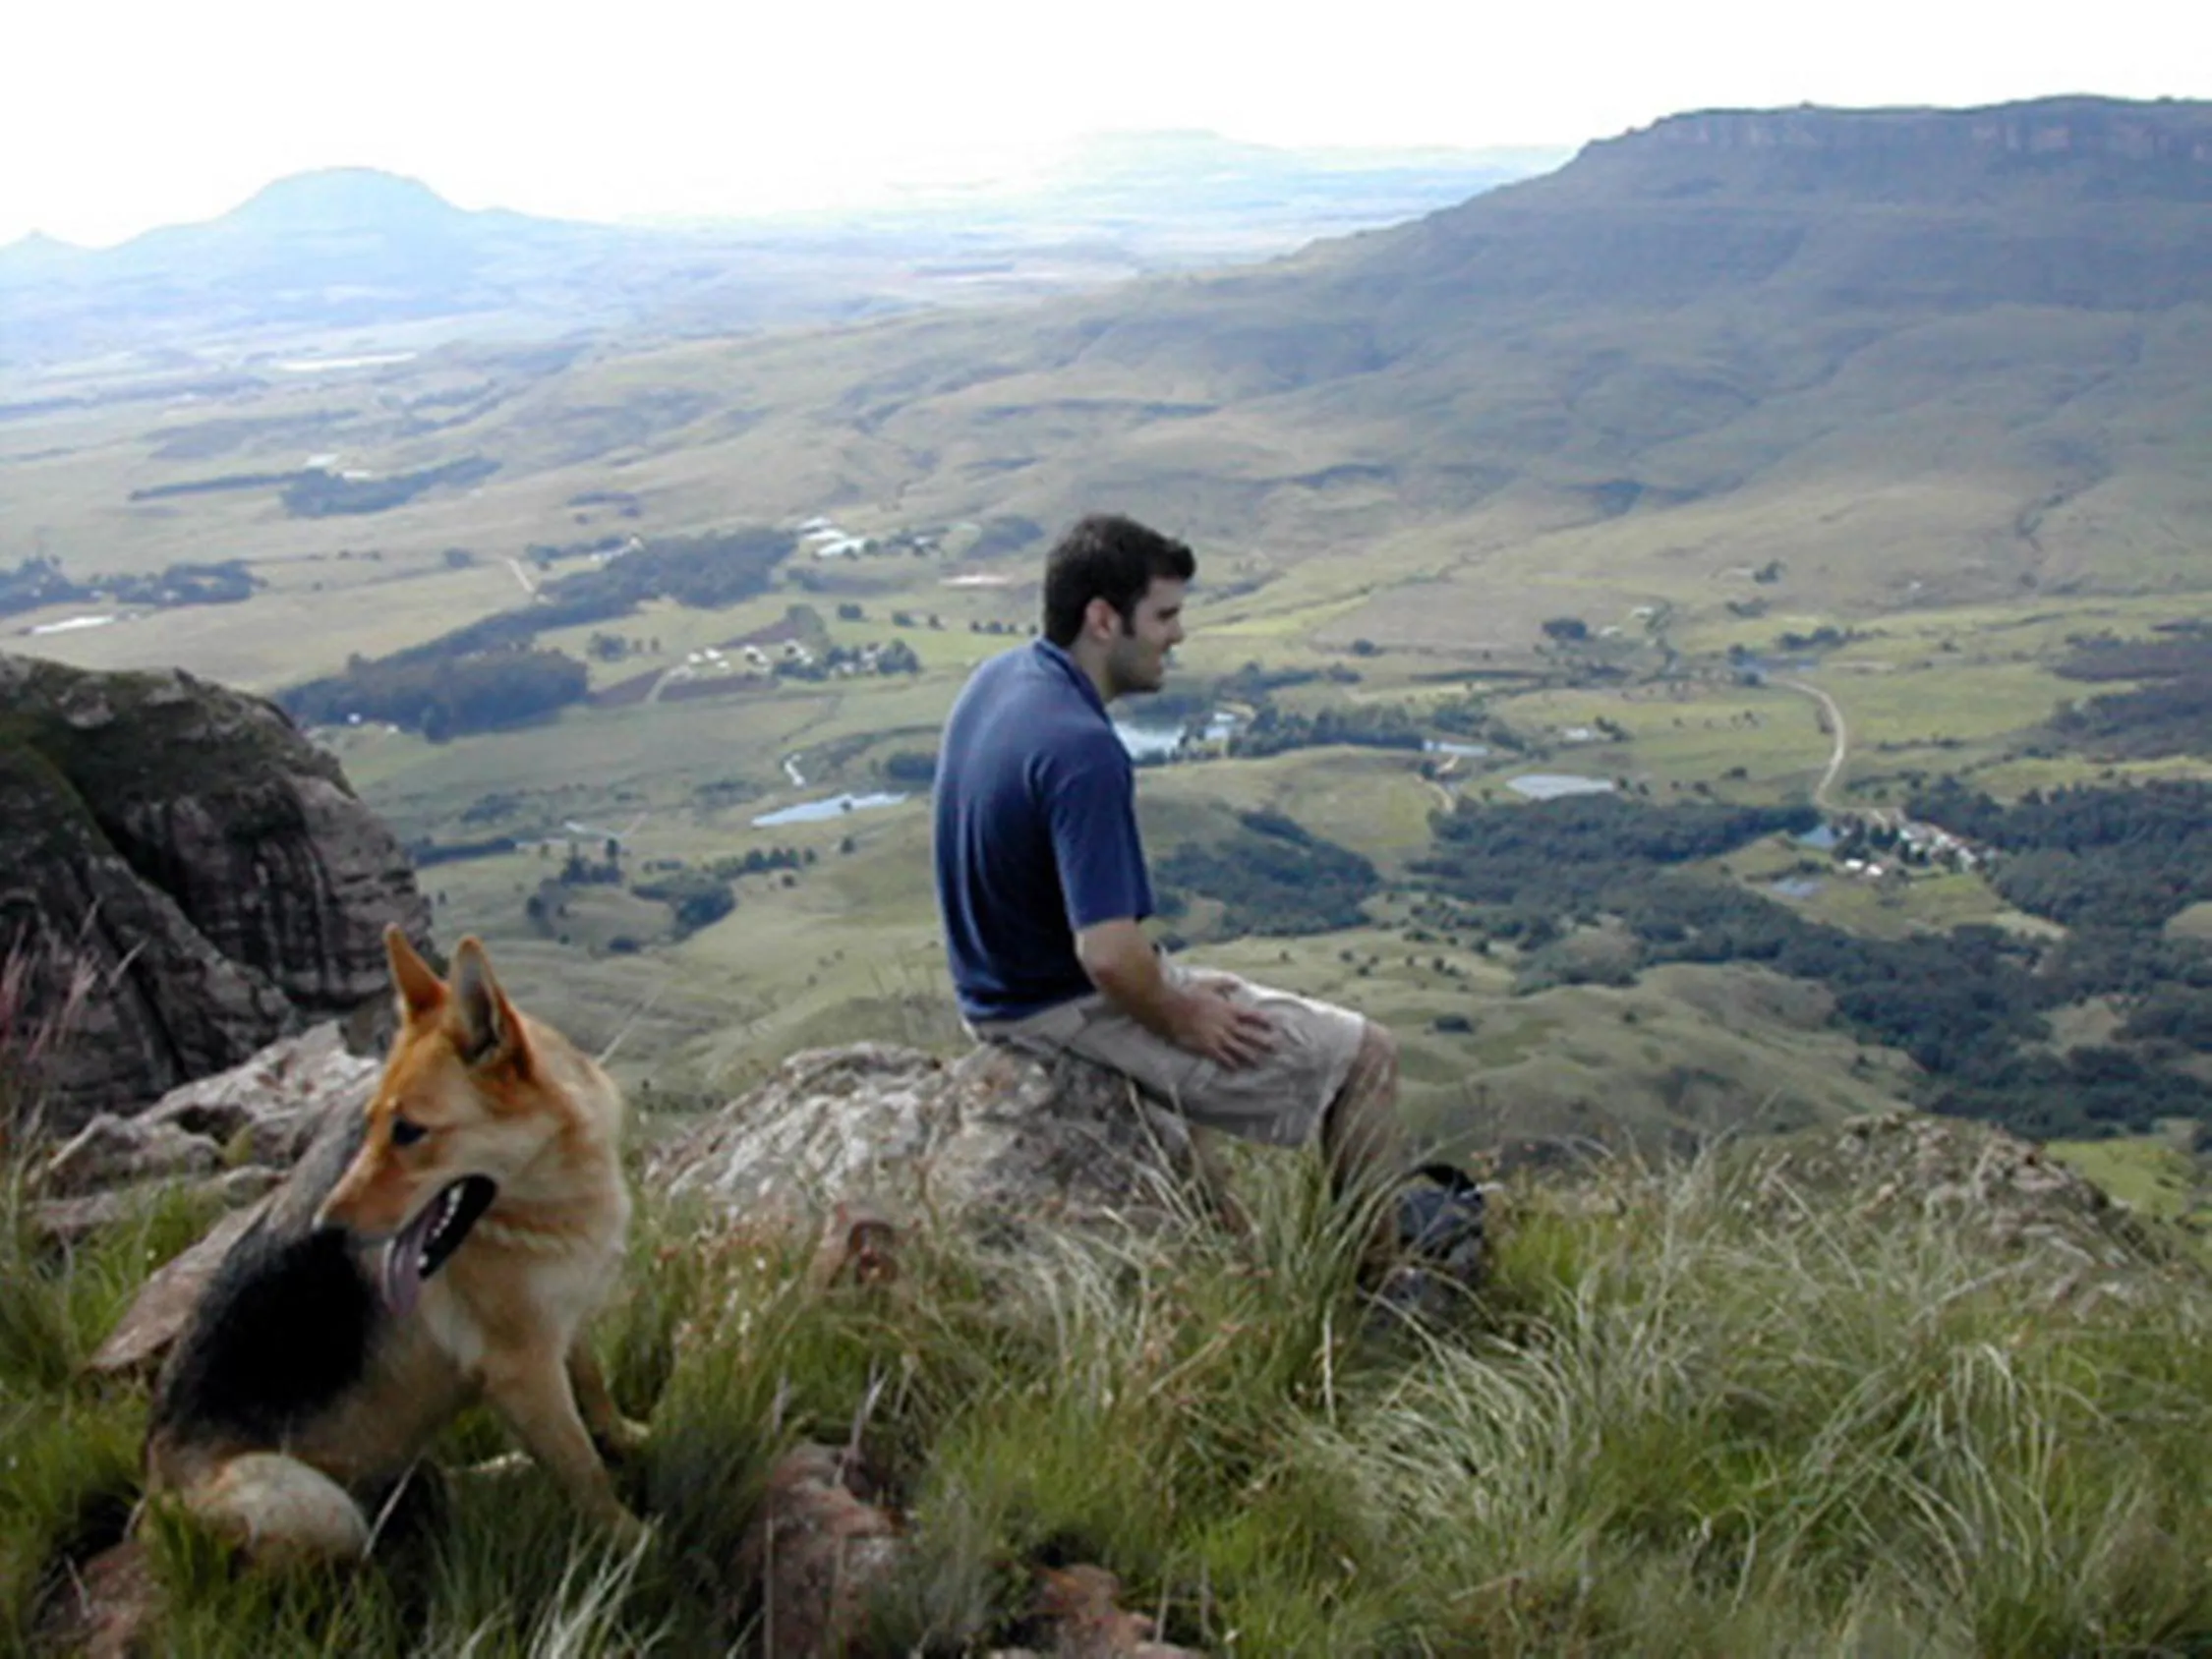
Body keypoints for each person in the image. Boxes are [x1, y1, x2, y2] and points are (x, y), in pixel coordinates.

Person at [930, 512, 1405, 1202]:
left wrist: (1170, 987)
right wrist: (1180, 1013)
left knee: (1193, 1149)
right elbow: (1111, 957)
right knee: (1368, 1058)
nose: (1177, 635)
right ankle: (1376, 1288)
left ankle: (1242, 1263)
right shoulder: (1082, 750)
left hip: (998, 986)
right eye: (1163, 616)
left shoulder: (999, 679)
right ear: (1102, 619)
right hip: (1054, 1007)